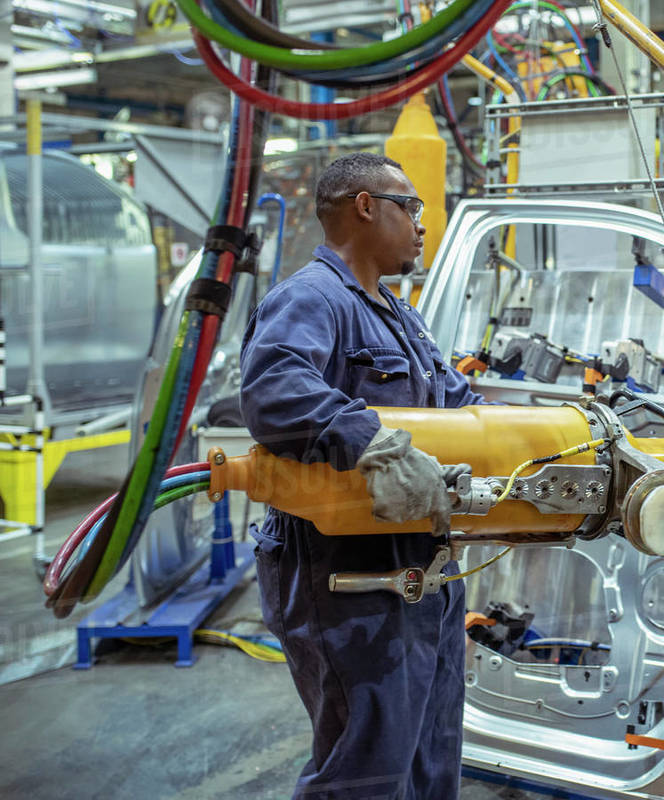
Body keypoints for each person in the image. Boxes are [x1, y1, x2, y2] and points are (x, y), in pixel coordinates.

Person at [240, 152, 485, 799]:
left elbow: (461, 408)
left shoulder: (401, 316)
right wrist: (371, 441)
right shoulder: (311, 298)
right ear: (366, 206)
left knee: (430, 759)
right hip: (344, 575)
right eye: (412, 207)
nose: (422, 224)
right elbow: (274, 390)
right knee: (366, 769)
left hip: (423, 570)